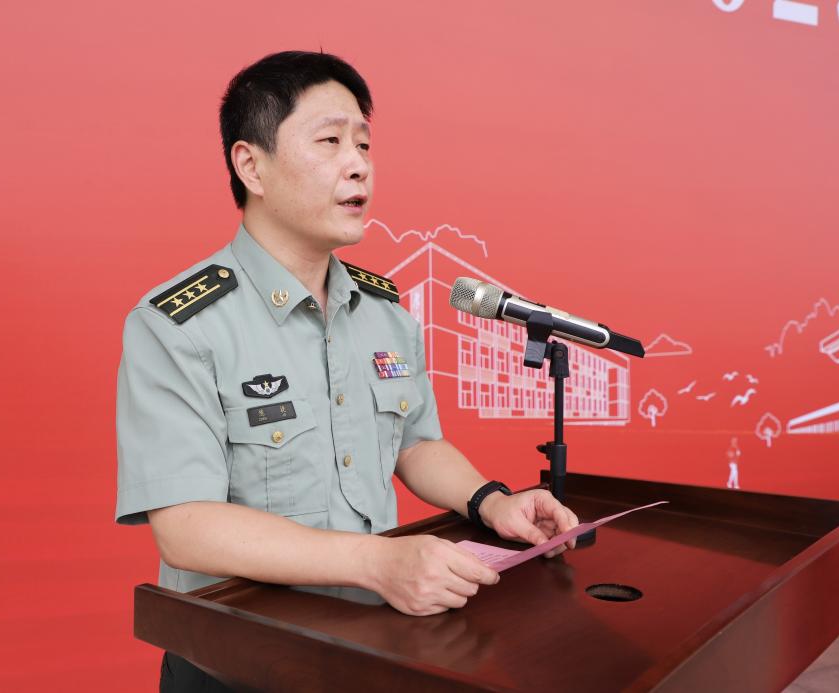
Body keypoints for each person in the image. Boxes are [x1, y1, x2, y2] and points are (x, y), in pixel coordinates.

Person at [115, 50, 580, 692]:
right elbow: (187, 529)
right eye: (330, 141)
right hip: (238, 662)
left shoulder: (384, 312)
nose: (358, 164)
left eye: (363, 143)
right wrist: (377, 562)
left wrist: (493, 502)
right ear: (250, 165)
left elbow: (417, 443)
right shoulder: (179, 324)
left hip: (366, 649)